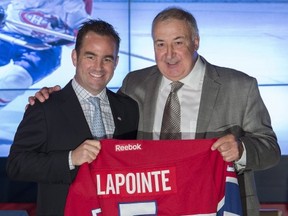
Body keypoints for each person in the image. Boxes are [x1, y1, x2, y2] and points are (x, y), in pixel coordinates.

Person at [28, 7, 281, 216]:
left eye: (178, 42)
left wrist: (242, 150)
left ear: (196, 42)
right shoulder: (135, 84)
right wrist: (54, 97)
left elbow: (270, 148)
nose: (169, 54)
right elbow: (104, 116)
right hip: (152, 208)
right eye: (160, 44)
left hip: (213, 207)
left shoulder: (239, 86)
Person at [6, 19, 139, 216]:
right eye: (90, 56)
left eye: (107, 59)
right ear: (75, 57)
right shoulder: (45, 107)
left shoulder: (129, 108)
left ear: (116, 62)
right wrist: (70, 159)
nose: (98, 67)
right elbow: (16, 165)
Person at [0, 0, 92, 107]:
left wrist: (78, 36)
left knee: (14, 80)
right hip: (9, 33)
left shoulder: (74, 4)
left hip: (44, 48)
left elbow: (84, 35)